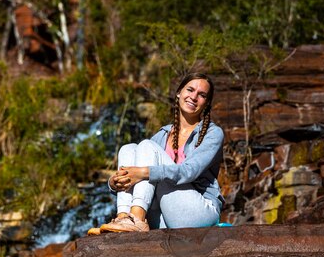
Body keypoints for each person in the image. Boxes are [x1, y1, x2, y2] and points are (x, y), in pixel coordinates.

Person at [88, 72, 224, 235]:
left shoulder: (213, 133)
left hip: (197, 213)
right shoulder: (162, 135)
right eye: (190, 90)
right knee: (128, 148)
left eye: (201, 95)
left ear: (207, 103)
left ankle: (137, 218)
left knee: (146, 146)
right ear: (179, 92)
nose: (193, 97)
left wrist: (144, 172)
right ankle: (124, 217)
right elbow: (141, 181)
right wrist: (113, 183)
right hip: (165, 216)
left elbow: (189, 171)